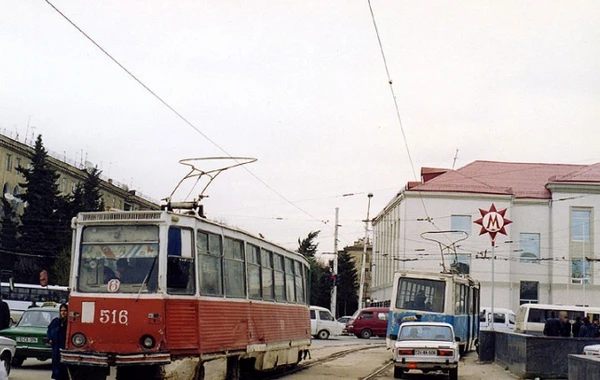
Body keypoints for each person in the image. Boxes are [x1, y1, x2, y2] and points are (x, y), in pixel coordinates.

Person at [47, 303, 68, 380]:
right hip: (55, 347)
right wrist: (50, 339)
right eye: (61, 311)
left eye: (65, 311)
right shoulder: (56, 321)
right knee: (56, 365)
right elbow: (49, 330)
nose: (63, 313)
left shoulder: (69, 323)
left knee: (63, 367)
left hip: (64, 348)